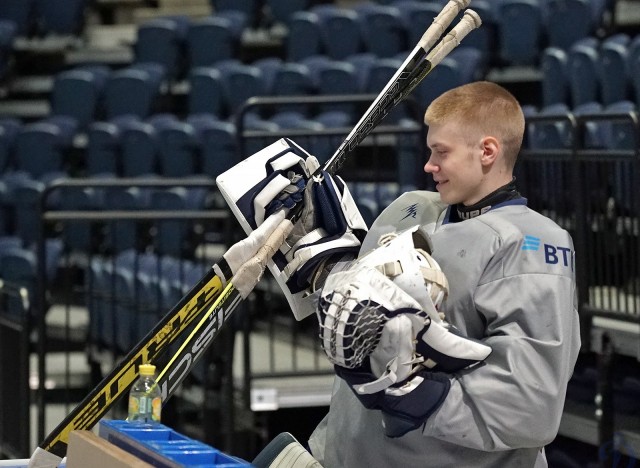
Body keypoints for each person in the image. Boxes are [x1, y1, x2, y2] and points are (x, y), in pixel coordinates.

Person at [217, 81, 581, 468]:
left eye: (442, 152)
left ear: (487, 151)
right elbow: (365, 312)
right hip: (339, 452)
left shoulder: (531, 243)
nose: (429, 165)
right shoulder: (412, 209)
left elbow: (530, 402)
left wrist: (409, 393)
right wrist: (324, 264)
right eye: (429, 151)